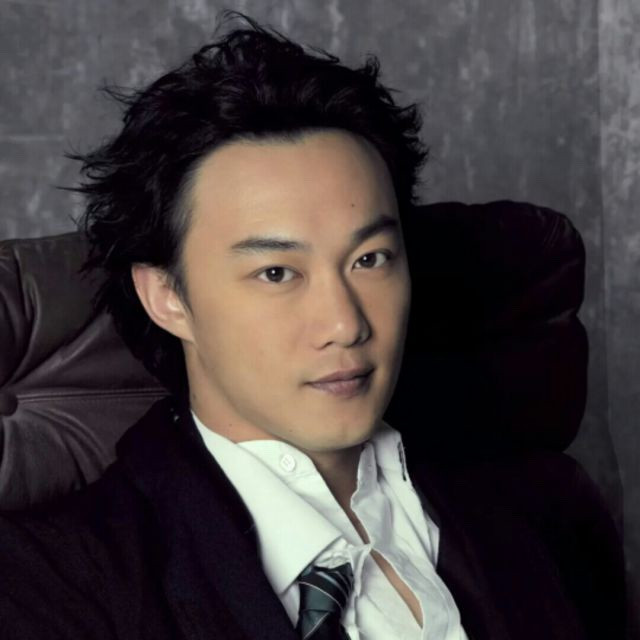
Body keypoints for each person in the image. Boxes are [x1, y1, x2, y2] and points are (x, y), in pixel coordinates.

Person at [0, 13, 625, 640]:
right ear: (167, 297)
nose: (345, 324)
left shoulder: (540, 509)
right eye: (277, 273)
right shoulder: (51, 583)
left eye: (369, 260)